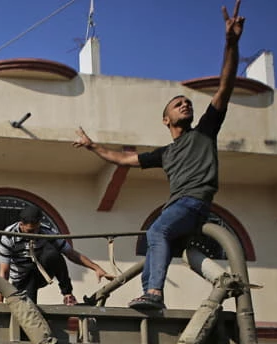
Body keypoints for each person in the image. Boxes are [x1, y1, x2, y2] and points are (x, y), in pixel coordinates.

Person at [73, 1, 246, 312]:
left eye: (188, 104)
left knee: (157, 231)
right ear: (165, 119)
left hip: (193, 203)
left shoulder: (204, 131)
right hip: (181, 209)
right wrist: (91, 146)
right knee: (158, 244)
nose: (185, 105)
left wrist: (231, 44)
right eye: (178, 104)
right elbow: (123, 160)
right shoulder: (166, 153)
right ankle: (152, 305)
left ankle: (154, 293)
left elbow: (225, 87)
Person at [0, 203, 110, 344]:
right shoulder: (9, 236)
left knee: (53, 253)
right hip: (22, 279)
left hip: (41, 272)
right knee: (27, 315)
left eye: (35, 230)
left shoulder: (47, 231)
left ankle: (67, 294)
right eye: (29, 232)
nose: (33, 234)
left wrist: (96, 268)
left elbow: (71, 254)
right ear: (21, 224)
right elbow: (3, 272)